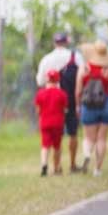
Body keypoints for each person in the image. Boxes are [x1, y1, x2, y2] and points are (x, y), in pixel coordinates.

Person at [36, 32, 84, 172]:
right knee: (73, 133)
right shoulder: (76, 57)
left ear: (54, 43)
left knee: (56, 136)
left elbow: (40, 81)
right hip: (70, 100)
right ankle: (73, 164)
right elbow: (83, 75)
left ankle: (56, 166)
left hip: (52, 105)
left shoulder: (46, 59)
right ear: (66, 42)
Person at [76, 40, 108, 178]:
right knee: (101, 139)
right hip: (107, 104)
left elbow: (78, 90)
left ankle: (86, 154)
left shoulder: (85, 67)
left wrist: (78, 105)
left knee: (88, 138)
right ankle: (97, 169)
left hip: (88, 104)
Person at [35, 69, 68, 176]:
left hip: (45, 122)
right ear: (58, 80)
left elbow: (38, 110)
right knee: (57, 146)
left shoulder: (40, 94)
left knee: (45, 145)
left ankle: (44, 164)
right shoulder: (62, 94)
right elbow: (65, 109)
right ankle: (57, 167)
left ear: (47, 80)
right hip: (58, 123)